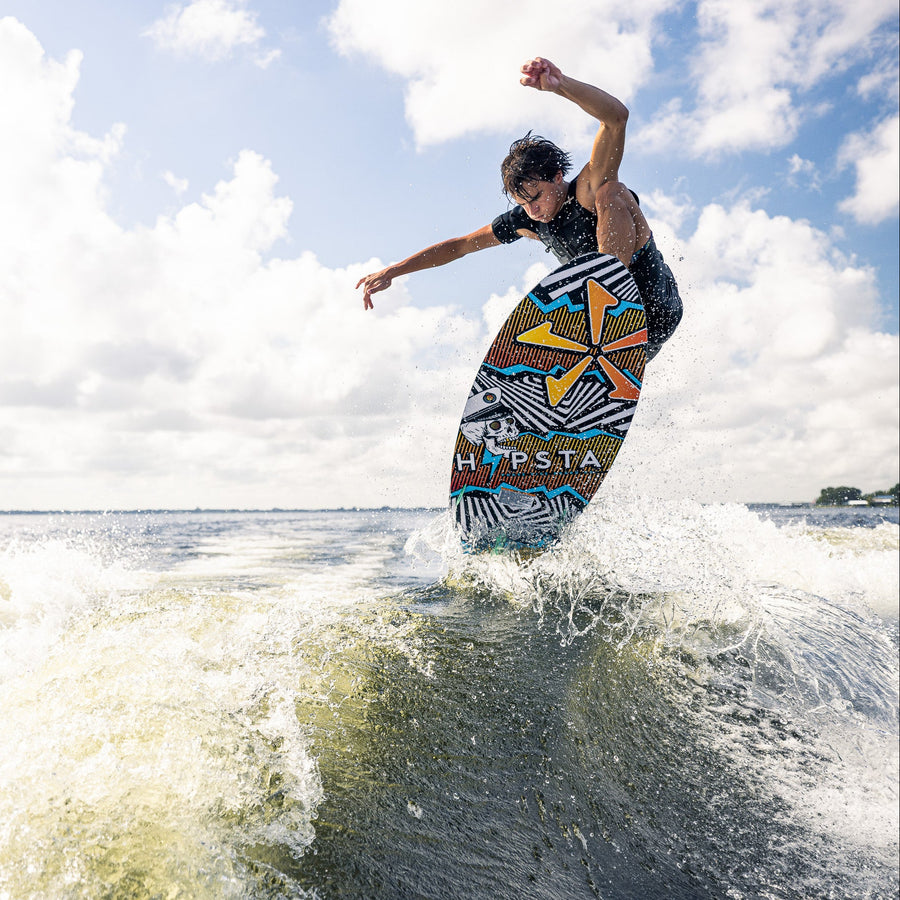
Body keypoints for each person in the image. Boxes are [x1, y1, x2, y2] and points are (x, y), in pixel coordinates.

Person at [356, 57, 682, 360]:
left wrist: (561, 85)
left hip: (656, 304)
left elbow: (615, 119)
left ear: (557, 177)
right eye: (522, 203)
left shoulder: (586, 189)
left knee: (612, 191)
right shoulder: (527, 221)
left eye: (536, 197)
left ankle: (606, 291)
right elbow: (460, 246)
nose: (532, 210)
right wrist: (394, 270)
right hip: (621, 341)